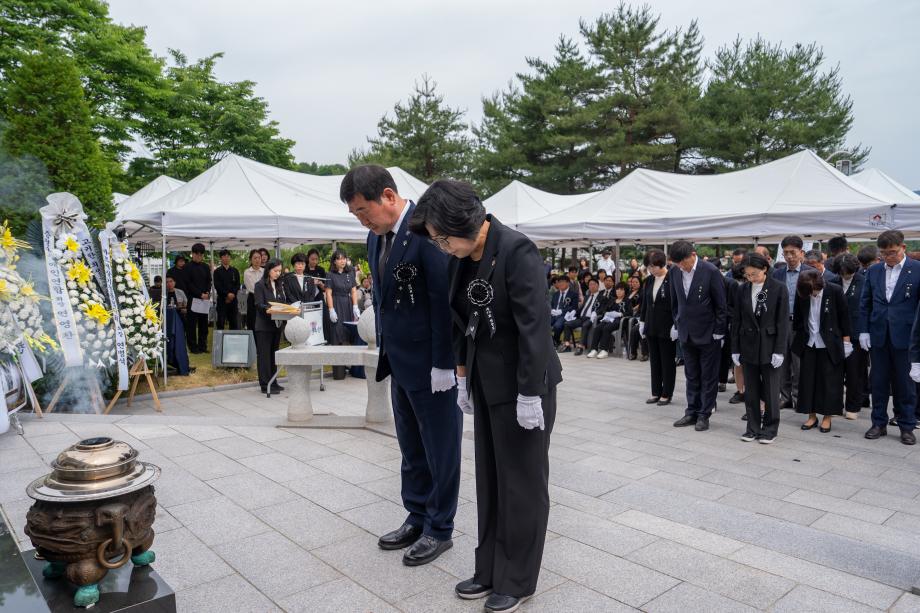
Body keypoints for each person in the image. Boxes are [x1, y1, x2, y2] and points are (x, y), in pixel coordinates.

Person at [409, 179, 561, 613]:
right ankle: (490, 568)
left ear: (466, 221)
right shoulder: (461, 257)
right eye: (435, 240)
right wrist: (462, 373)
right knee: (492, 482)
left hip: (524, 385)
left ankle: (518, 579)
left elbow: (535, 327)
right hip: (486, 383)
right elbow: (460, 319)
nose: (441, 247)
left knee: (523, 486)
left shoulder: (517, 250)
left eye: (442, 238)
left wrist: (530, 393)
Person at [341, 165, 461, 567]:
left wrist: (446, 364)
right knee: (411, 449)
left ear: (389, 197)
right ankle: (417, 514)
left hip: (432, 366)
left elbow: (445, 304)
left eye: (363, 210)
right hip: (398, 362)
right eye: (355, 213)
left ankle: (440, 527)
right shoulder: (375, 239)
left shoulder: (429, 232)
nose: (361, 219)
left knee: (440, 448)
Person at [860, 230, 920, 445]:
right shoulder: (874, 270)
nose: (889, 257)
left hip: (905, 336)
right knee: (878, 382)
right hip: (878, 334)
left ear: (903, 248)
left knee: (905, 384)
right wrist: (864, 330)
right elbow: (865, 302)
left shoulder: (917, 269)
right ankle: (878, 423)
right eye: (885, 253)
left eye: (893, 252)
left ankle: (906, 426)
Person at [669, 240, 727, 432]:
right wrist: (676, 323)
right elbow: (675, 302)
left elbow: (721, 305)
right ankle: (691, 411)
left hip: (708, 333)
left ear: (693, 255)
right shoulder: (675, 272)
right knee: (691, 374)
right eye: (677, 263)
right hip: (686, 332)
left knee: (708, 376)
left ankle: (704, 414)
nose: (680, 267)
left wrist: (719, 331)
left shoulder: (710, 271)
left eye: (682, 262)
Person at [731, 253, 789, 443]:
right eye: (747, 275)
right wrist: (735, 348)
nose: (751, 278)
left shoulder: (778, 288)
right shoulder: (742, 289)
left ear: (764, 269)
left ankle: (770, 428)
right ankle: (752, 427)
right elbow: (737, 320)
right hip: (747, 343)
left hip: (770, 344)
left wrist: (780, 350)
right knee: (751, 390)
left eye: (754, 274)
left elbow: (782, 322)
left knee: (772, 390)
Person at [792, 269, 851, 434]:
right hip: (809, 341)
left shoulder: (835, 290)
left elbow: (844, 317)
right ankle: (811, 416)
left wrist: (846, 342)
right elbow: (797, 317)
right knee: (807, 380)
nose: (813, 295)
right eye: (810, 293)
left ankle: (827, 416)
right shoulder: (802, 293)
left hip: (830, 342)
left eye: (815, 291)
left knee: (830, 381)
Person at [773, 236, 815, 409]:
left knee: (799, 363)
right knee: (782, 361)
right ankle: (785, 396)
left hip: (801, 324)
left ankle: (799, 397)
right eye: (786, 253)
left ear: (801, 253)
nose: (789, 256)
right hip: (782, 323)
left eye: (793, 252)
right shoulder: (777, 273)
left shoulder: (810, 273)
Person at [639, 250, 675, 406]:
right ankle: (655, 392)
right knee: (654, 361)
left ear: (662, 264)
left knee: (667, 361)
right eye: (649, 266)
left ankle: (666, 393)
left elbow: (677, 304)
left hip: (667, 326)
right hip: (651, 324)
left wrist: (676, 324)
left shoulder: (672, 279)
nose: (651, 269)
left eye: (653, 266)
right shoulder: (649, 281)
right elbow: (645, 303)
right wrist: (642, 321)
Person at [836, 253, 869, 419]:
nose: (844, 275)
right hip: (835, 333)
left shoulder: (863, 282)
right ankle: (834, 404)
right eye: (841, 272)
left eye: (847, 272)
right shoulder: (833, 281)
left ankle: (853, 406)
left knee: (854, 372)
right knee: (835, 370)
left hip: (856, 333)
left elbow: (867, 308)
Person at [253, 258, 285, 394]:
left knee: (273, 355)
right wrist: (273, 309)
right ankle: (265, 384)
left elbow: (282, 301)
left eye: (280, 271)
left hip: (276, 325)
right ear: (268, 270)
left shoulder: (279, 285)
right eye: (275, 271)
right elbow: (259, 304)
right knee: (264, 355)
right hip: (264, 326)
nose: (278, 273)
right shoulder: (259, 285)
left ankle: (274, 381)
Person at [325, 249, 361, 344]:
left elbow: (353, 291)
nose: (343, 261)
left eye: (344, 258)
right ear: (334, 261)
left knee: (348, 331)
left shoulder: (350, 273)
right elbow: (328, 293)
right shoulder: (330, 274)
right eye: (339, 259)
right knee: (337, 331)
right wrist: (331, 309)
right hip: (336, 303)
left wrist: (355, 306)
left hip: (348, 304)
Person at [560, 277, 601, 354]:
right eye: (590, 284)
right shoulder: (587, 297)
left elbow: (602, 309)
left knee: (585, 325)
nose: (592, 286)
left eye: (593, 284)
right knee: (567, 324)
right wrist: (574, 312)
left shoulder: (601, 297)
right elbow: (581, 309)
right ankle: (567, 345)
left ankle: (581, 346)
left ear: (597, 286)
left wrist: (596, 313)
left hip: (590, 318)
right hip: (581, 318)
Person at [590, 281, 629, 359]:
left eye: (621, 290)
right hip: (609, 319)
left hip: (619, 321)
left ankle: (604, 350)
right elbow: (605, 310)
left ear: (625, 291)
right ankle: (594, 349)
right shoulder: (612, 300)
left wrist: (620, 314)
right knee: (598, 327)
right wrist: (607, 313)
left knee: (606, 328)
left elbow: (629, 313)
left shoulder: (627, 301)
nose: (619, 291)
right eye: (617, 289)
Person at [185, 243, 212, 354]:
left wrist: (206, 293)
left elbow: (209, 281)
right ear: (192, 254)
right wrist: (199, 294)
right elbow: (188, 283)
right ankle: (193, 347)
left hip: (204, 299)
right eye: (197, 254)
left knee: (203, 324)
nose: (199, 256)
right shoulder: (187, 267)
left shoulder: (205, 267)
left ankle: (203, 346)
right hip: (193, 299)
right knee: (191, 325)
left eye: (201, 254)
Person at [213, 249, 240, 331]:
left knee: (234, 322)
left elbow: (237, 284)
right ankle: (220, 343)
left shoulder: (235, 271)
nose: (226, 258)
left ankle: (233, 342)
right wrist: (227, 295)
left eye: (228, 256)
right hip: (222, 300)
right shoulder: (217, 271)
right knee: (220, 322)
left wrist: (232, 294)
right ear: (221, 258)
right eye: (224, 256)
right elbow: (217, 285)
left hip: (233, 301)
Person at [549, 276, 577, 347]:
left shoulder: (573, 294)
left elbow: (574, 307)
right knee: (542, 324)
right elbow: (551, 305)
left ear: (568, 283)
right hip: (553, 315)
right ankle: (552, 341)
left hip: (564, 315)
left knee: (557, 326)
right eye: (559, 282)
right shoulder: (556, 294)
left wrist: (561, 311)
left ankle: (556, 341)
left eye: (562, 282)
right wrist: (552, 310)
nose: (560, 284)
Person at [242, 249, 262, 331]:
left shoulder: (264, 271)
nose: (257, 260)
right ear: (251, 259)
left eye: (259, 258)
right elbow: (251, 287)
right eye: (255, 258)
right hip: (252, 298)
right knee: (252, 321)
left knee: (262, 321)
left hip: (263, 298)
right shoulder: (247, 272)